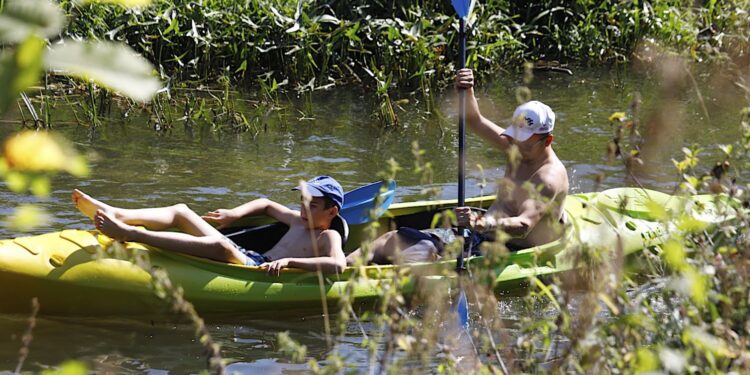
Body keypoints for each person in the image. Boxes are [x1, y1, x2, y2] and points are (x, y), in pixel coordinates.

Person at [347, 69, 569, 265]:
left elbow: (523, 224)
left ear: (547, 141)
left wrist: (481, 222)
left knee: (417, 249)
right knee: (393, 238)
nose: (514, 147)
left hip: (510, 251)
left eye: (524, 143)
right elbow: (475, 120)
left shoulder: (547, 179)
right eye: (513, 138)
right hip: (478, 234)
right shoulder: (519, 145)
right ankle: (342, 266)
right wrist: (467, 89)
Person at [72, 176, 348, 276]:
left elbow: (338, 266)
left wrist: (290, 262)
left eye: (311, 206)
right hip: (248, 256)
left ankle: (129, 233)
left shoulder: (328, 235)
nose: (302, 209)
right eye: (301, 201)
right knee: (181, 211)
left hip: (256, 271)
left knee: (218, 245)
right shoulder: (297, 219)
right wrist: (233, 214)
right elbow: (265, 204)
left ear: (332, 211)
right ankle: (118, 213)